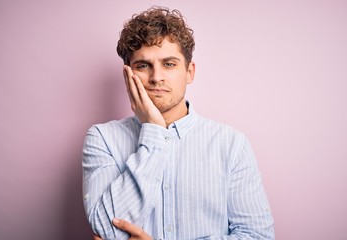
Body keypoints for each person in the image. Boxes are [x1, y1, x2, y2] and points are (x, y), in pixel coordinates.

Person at [82, 6, 274, 240]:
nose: (156, 77)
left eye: (169, 64)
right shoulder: (103, 139)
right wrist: (153, 131)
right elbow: (105, 230)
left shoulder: (231, 144)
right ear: (127, 74)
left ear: (189, 72)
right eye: (143, 65)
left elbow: (257, 236)